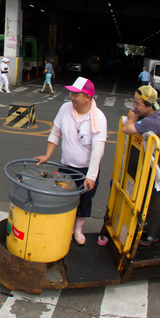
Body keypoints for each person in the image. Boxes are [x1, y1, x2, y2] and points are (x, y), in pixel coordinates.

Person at [35, 77, 107, 246]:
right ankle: (64, 226)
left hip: (86, 169)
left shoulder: (99, 118)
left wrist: (91, 176)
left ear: (88, 97)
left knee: (85, 199)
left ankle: (78, 229)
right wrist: (47, 155)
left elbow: (98, 150)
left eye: (76, 94)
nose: (72, 97)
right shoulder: (65, 108)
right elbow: (55, 132)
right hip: (66, 166)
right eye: (71, 93)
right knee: (64, 198)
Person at [122, 86, 160, 245]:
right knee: (147, 195)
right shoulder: (151, 113)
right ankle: (143, 226)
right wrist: (136, 114)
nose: (135, 107)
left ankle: (153, 234)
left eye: (138, 104)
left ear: (149, 105)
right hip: (154, 162)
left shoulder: (153, 120)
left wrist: (135, 116)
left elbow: (127, 127)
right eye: (135, 102)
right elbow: (131, 115)